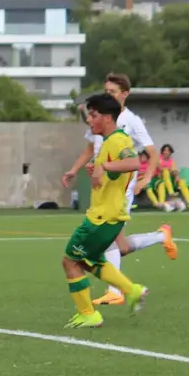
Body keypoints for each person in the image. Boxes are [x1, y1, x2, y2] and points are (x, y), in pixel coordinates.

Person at [62, 73, 175, 306]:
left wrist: (146, 178)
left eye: (113, 91)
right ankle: (160, 236)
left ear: (125, 94)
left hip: (119, 191)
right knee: (119, 246)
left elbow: (149, 154)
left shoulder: (131, 122)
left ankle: (117, 290)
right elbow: (90, 147)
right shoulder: (99, 117)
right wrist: (75, 169)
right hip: (101, 189)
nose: (108, 94)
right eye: (106, 90)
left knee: (100, 246)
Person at [62, 93, 149, 329]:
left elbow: (133, 163)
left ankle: (88, 314)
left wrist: (105, 167)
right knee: (91, 261)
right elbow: (114, 173)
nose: (90, 120)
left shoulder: (118, 140)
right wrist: (99, 170)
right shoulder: (109, 141)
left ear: (108, 118)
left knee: (70, 261)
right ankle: (131, 290)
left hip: (102, 218)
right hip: (108, 216)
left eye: (94, 115)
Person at [156, 144, 189, 208]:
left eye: (168, 150)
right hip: (160, 180)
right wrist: (169, 169)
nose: (166, 152)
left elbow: (174, 171)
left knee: (181, 181)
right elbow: (160, 168)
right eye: (164, 150)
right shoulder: (158, 159)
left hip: (170, 181)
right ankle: (163, 202)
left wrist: (176, 175)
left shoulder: (172, 161)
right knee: (165, 173)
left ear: (170, 152)